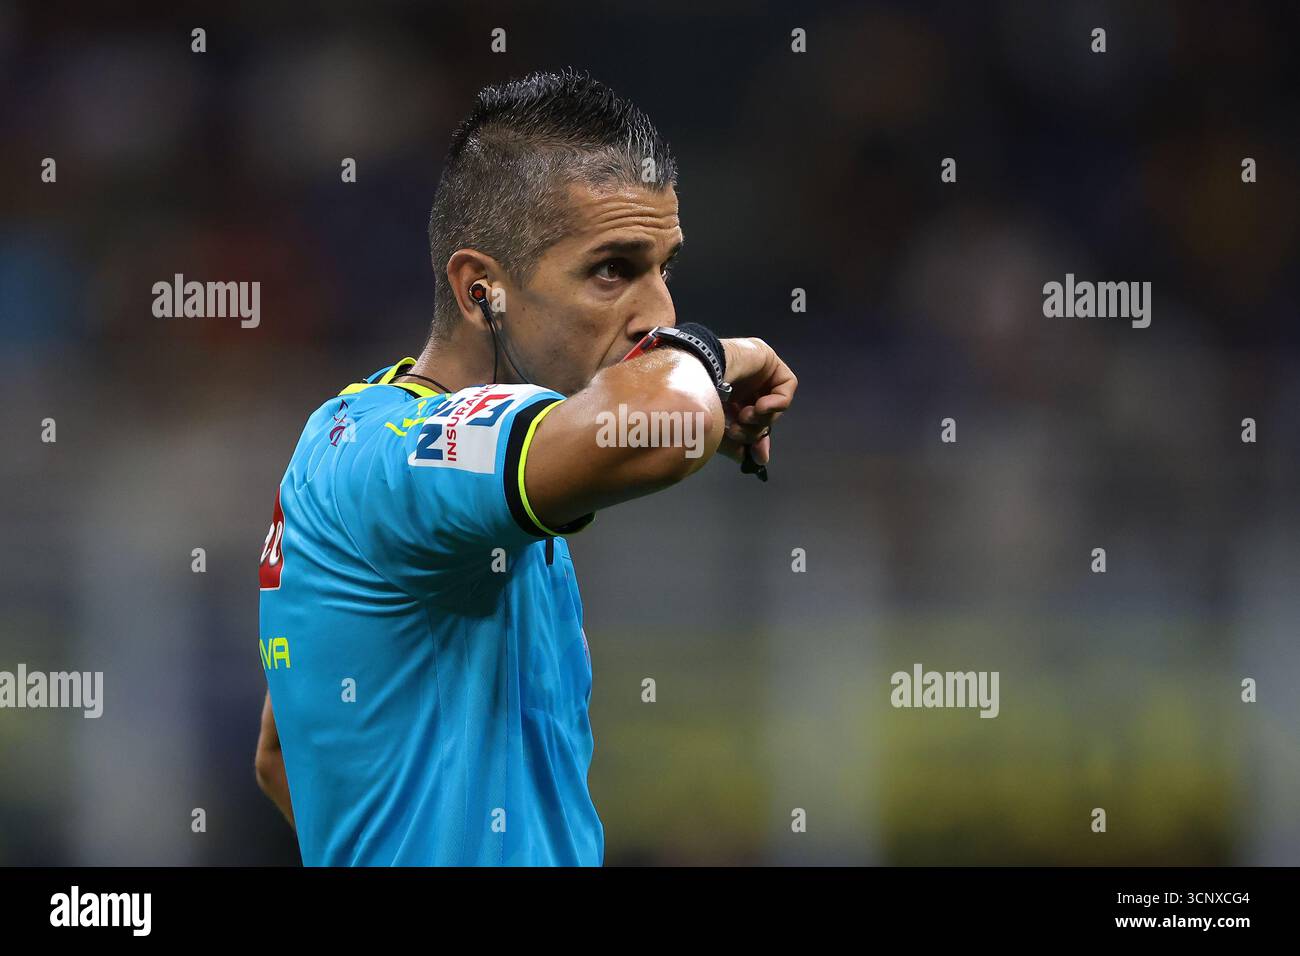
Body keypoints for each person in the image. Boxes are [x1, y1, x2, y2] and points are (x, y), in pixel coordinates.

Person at [254, 68, 797, 865]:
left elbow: (284, 753)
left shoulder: (380, 454)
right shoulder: (402, 457)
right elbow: (664, 424)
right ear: (483, 294)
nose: (661, 317)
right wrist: (719, 356)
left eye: (664, 268)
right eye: (612, 270)